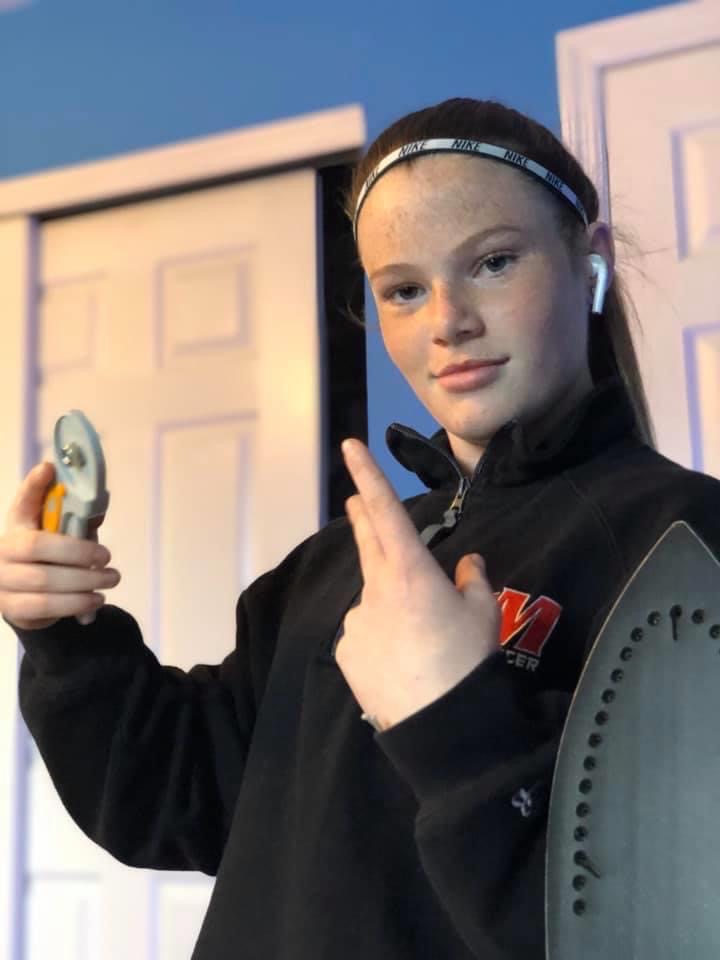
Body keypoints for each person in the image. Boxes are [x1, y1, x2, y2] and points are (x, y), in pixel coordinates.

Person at [2, 96, 719, 960]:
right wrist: (66, 641)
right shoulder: (333, 566)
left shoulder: (684, 541)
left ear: (588, 260)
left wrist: (453, 715)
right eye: (405, 289)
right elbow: (171, 801)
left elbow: (664, 924)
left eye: (494, 262)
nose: (448, 321)